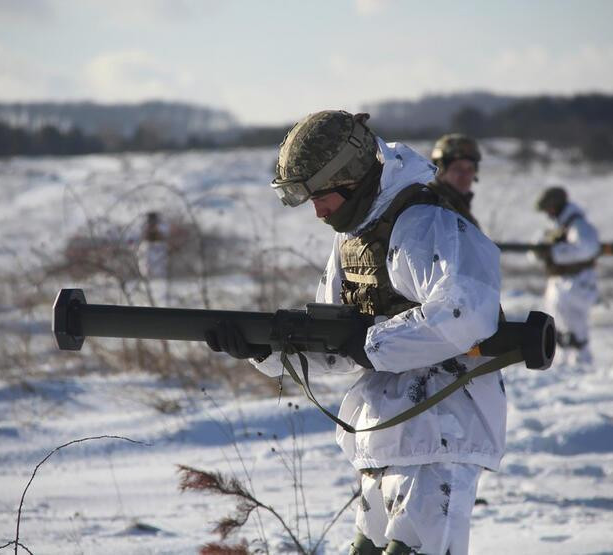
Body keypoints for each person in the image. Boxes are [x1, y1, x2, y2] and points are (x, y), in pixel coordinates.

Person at [205, 110, 506, 555]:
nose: (317, 210)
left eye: (320, 195)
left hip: (443, 432)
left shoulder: (428, 226)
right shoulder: (353, 238)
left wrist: (369, 344)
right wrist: (267, 350)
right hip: (386, 431)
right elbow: (337, 340)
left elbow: (463, 313)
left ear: (351, 180)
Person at [534, 186, 600, 367]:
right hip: (562, 283)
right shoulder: (559, 226)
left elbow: (587, 249)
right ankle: (563, 364)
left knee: (576, 328)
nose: (548, 213)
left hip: (578, 283)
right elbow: (538, 249)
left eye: (549, 208)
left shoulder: (578, 225)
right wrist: (542, 251)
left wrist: (554, 252)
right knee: (559, 327)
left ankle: (583, 365)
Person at [429, 134, 483, 229]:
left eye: (470, 168)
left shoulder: (457, 208)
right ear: (441, 170)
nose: (465, 175)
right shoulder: (433, 208)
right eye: (458, 168)